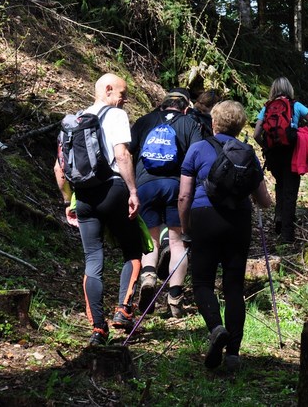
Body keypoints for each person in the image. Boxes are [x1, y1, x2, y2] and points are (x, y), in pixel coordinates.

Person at [178, 100, 272, 371]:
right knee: (233, 287)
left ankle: (216, 327)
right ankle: (233, 354)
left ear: (214, 122)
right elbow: (264, 200)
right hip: (238, 222)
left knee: (203, 282)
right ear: (241, 125)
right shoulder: (248, 153)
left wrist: (185, 230)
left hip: (204, 218)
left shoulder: (197, 149)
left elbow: (184, 195)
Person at [53, 73, 142, 346]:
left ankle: (97, 329)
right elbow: (122, 155)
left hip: (85, 196)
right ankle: (123, 310)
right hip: (113, 189)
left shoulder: (73, 121)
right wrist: (133, 191)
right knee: (133, 249)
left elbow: (59, 169)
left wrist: (69, 201)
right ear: (107, 89)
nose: (125, 99)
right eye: (122, 93)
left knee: (93, 258)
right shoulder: (115, 116)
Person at [130, 88, 203, 318]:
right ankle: (174, 299)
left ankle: (149, 277)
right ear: (185, 107)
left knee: (150, 240)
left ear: (162, 104)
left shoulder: (145, 121)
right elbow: (197, 158)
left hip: (145, 185)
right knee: (177, 242)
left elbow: (127, 152)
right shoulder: (190, 124)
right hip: (176, 187)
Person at [254, 77, 308, 243]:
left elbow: (256, 134)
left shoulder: (267, 107)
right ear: (289, 89)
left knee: (280, 185)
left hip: (273, 155)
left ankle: (279, 218)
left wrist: (266, 147)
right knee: (290, 192)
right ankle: (287, 235)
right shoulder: (295, 105)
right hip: (292, 153)